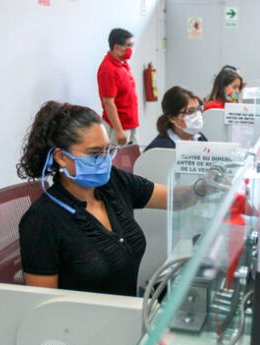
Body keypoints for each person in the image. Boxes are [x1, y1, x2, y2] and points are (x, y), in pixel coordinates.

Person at [16, 101, 210, 296]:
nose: (104, 160)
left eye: (107, 150)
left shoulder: (113, 182)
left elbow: (173, 199)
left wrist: (203, 187)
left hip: (126, 312)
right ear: (61, 157)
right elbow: (42, 305)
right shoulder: (42, 220)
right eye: (94, 153)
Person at [97, 28, 140, 146]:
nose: (131, 49)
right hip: (118, 128)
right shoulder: (108, 70)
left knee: (132, 160)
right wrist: (119, 131)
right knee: (118, 162)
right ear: (116, 47)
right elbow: (109, 103)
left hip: (130, 123)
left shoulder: (122, 63)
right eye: (128, 45)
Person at [145, 86, 208, 152]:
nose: (197, 114)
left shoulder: (200, 138)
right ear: (173, 118)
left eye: (198, 109)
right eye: (190, 111)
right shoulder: (159, 149)